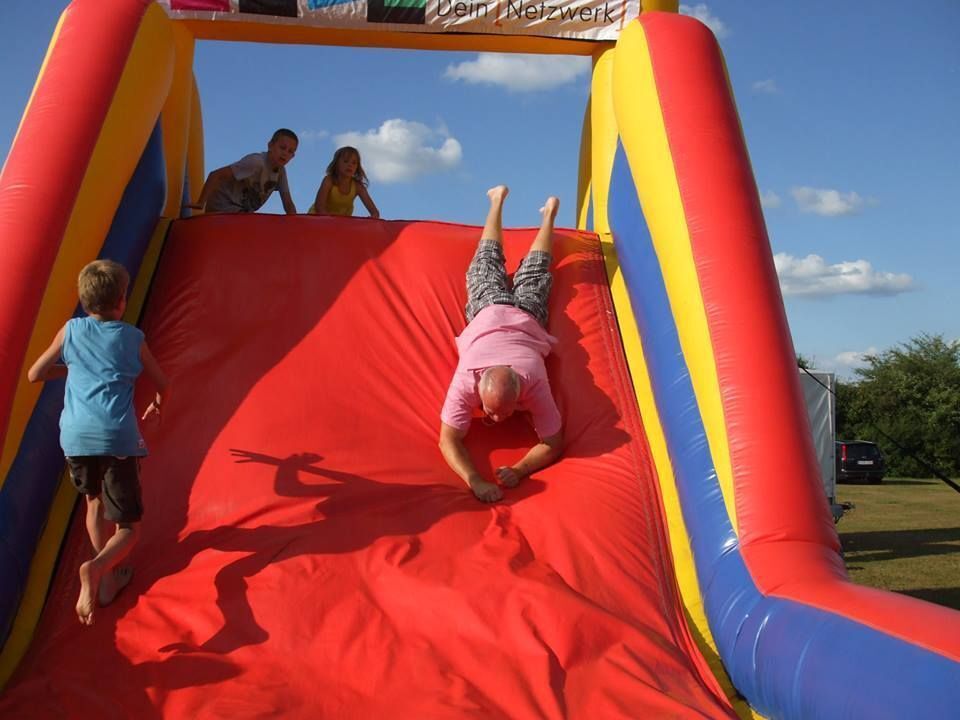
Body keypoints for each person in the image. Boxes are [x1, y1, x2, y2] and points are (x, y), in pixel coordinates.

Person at [28, 259, 169, 626]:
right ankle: (96, 568)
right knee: (129, 528)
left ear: (83, 300)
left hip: (74, 438)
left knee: (93, 503)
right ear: (122, 301)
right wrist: (157, 404)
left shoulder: (71, 330)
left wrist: (74, 368)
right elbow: (162, 382)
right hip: (115, 437)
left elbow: (35, 374)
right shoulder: (131, 338)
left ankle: (106, 584)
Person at [439, 185, 563, 503]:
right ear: (480, 386)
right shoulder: (469, 377)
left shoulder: (534, 380)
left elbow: (554, 441)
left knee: (501, 265)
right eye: (492, 412)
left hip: (503, 312)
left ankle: (530, 209)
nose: (494, 419)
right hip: (502, 312)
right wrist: (475, 481)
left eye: (502, 413)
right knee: (514, 267)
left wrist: (521, 469)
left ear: (520, 392)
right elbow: (447, 440)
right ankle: (529, 209)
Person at [187, 128, 298, 214]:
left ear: (292, 156)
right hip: (223, 204)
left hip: (241, 211)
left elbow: (288, 203)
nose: (285, 153)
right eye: (282, 148)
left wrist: (297, 224)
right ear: (270, 146)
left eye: (290, 151)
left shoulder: (281, 172)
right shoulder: (256, 162)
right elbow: (215, 175)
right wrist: (201, 202)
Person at [310, 146, 380, 218]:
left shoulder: (357, 186)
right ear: (336, 164)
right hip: (318, 219)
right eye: (346, 161)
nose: (350, 165)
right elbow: (319, 207)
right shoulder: (329, 180)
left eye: (354, 163)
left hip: (340, 224)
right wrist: (330, 222)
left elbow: (375, 212)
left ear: (357, 167)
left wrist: (372, 218)